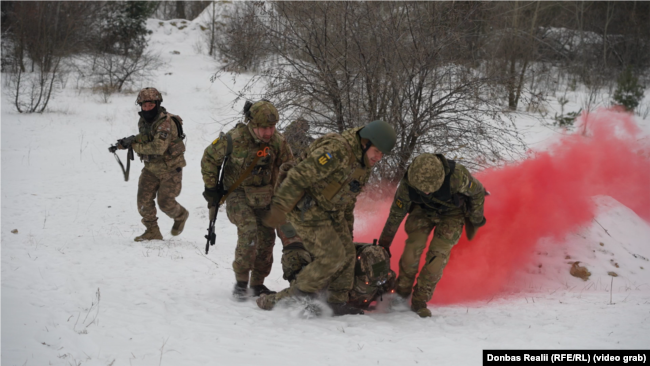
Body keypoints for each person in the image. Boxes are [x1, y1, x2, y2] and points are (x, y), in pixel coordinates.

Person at [256, 120, 397, 316]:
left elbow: (348, 200)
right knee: (332, 256)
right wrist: (280, 207)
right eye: (377, 151)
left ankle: (337, 302)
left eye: (382, 154)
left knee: (347, 252)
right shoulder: (337, 150)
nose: (378, 157)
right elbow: (299, 176)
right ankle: (284, 299)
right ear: (365, 142)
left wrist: (347, 231)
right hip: (306, 207)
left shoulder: (363, 163)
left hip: (331, 210)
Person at [201, 100, 294, 300]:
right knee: (249, 229)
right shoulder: (233, 138)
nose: (269, 132)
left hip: (266, 194)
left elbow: (289, 167)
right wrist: (211, 188)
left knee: (267, 238)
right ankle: (241, 283)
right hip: (238, 194)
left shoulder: (278, 141)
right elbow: (209, 158)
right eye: (264, 128)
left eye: (272, 127)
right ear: (252, 124)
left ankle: (258, 284)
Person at [377, 153, 487, 317]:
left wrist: (476, 219)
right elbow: (395, 216)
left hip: (452, 213)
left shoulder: (457, 176)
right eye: (423, 190)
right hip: (422, 211)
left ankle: (420, 301)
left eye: (430, 189)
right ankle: (400, 295)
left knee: (437, 257)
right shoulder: (407, 187)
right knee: (411, 253)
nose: (427, 192)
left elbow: (478, 192)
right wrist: (384, 244)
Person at [123, 87, 188, 242]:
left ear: (157, 103)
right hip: (151, 168)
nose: (147, 108)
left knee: (165, 204)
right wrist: (128, 141)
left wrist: (135, 146)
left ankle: (181, 215)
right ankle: (152, 231)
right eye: (144, 105)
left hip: (170, 169)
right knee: (143, 202)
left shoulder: (166, 123)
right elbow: (146, 137)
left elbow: (158, 148)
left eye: (150, 105)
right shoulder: (144, 120)